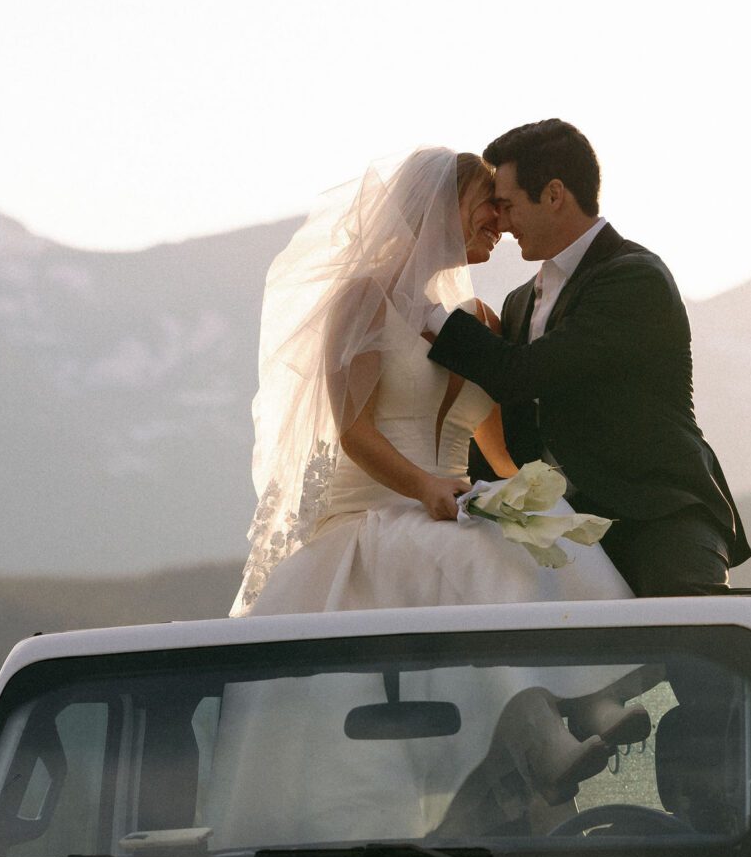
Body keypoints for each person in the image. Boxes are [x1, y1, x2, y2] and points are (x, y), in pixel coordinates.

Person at [229, 148, 644, 797]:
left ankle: (596, 697)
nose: (501, 223)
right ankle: (544, 745)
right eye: (489, 206)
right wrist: (423, 487)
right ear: (444, 210)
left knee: (550, 525)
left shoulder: (474, 323)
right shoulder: (365, 300)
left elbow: (496, 449)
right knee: (469, 556)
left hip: (448, 501)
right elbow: (353, 431)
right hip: (377, 514)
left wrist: (534, 498)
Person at [427, 120, 750, 597]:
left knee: (689, 648)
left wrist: (429, 314)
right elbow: (511, 430)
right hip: (562, 531)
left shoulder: (634, 279)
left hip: (656, 516)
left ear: (554, 194)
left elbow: (526, 375)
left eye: (509, 204)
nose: (503, 222)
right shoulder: (519, 303)